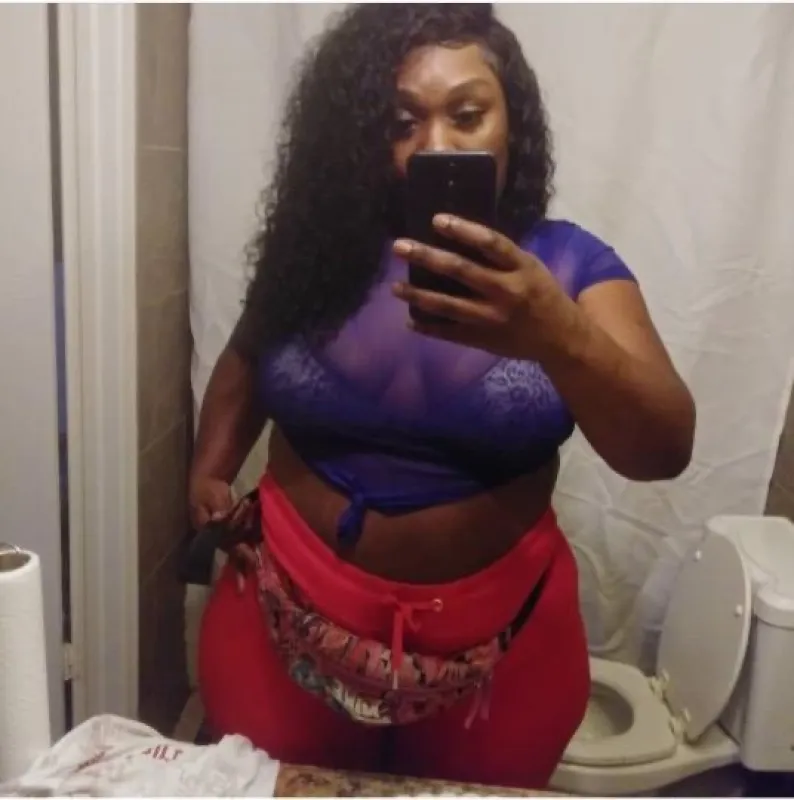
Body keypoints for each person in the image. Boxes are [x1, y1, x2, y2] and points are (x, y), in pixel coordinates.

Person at [190, 3, 695, 790]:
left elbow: (664, 448)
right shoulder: (314, 255)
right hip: (281, 625)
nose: (435, 146)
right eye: (402, 123)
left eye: (466, 115)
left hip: (501, 655)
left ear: (511, 123)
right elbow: (246, 358)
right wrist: (209, 471)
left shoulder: (567, 268)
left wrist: (556, 334)